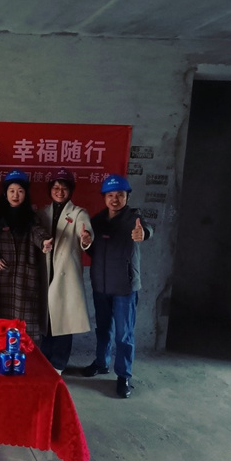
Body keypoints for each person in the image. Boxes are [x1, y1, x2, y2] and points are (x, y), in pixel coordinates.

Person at [82, 174, 153, 399]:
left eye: (120, 195)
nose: (115, 199)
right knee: (103, 329)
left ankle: (123, 375)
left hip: (124, 286)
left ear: (127, 197)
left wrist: (143, 233)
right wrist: (86, 244)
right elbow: (93, 251)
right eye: (110, 195)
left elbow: (147, 229)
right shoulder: (97, 220)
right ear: (104, 198)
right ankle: (101, 363)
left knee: (124, 334)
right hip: (101, 285)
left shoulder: (134, 218)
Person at [0, 170, 52, 341]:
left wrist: (44, 242)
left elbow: (38, 232)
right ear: (5, 193)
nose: (15, 195)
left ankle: (22, 351)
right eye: (12, 191)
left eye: (20, 191)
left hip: (23, 276)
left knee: (23, 324)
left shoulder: (31, 216)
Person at [37, 168, 93, 373]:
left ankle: (59, 364)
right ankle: (45, 361)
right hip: (46, 272)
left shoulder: (78, 213)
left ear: (70, 191)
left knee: (63, 321)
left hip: (65, 274)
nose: (60, 192)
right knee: (47, 320)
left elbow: (85, 231)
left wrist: (86, 239)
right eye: (56, 188)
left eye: (64, 188)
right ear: (50, 190)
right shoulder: (42, 213)